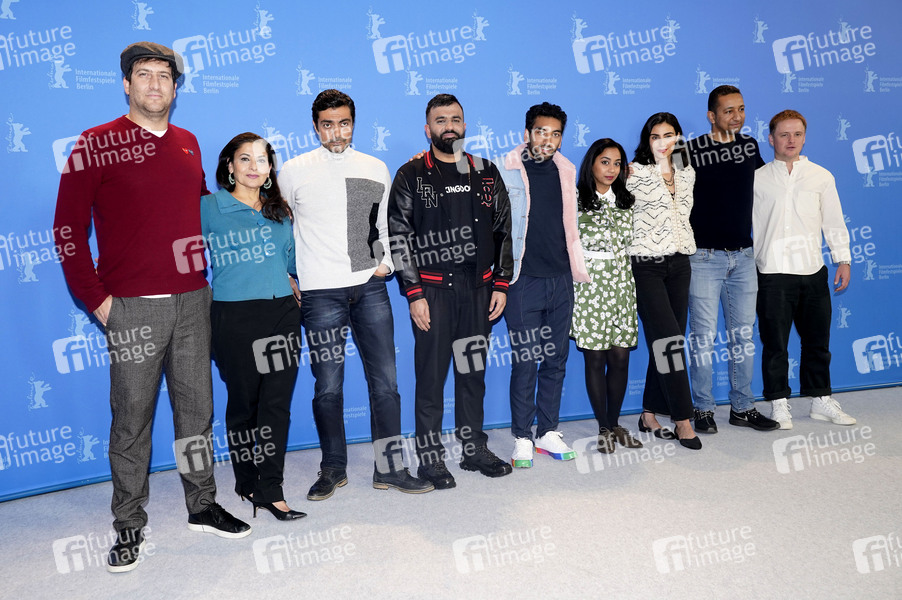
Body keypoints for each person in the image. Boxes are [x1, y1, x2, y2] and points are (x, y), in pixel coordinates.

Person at [53, 42, 250, 573]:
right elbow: (67, 229)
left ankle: (202, 504)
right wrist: (98, 301)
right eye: (144, 75)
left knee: (196, 414)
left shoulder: (187, 143)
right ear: (126, 83)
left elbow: (204, 212)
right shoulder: (95, 142)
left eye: (165, 76)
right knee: (132, 420)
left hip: (194, 300)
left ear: (176, 87)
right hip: (131, 308)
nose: (156, 85)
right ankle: (128, 523)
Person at [279, 89, 433, 500]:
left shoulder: (374, 167)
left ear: (353, 123)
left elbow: (387, 225)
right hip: (319, 293)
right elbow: (278, 226)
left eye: (344, 123)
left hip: (370, 287)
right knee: (328, 387)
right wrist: (287, 274)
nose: (337, 132)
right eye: (327, 125)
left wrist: (384, 265)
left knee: (386, 384)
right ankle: (333, 468)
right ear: (316, 127)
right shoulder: (293, 171)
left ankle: (391, 469)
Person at [387, 93, 514, 488]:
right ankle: (430, 459)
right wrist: (414, 293)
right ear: (428, 129)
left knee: (472, 374)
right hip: (433, 292)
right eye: (440, 120)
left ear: (465, 125)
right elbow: (399, 237)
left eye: (455, 119)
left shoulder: (486, 172)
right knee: (430, 379)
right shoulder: (411, 175)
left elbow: (503, 229)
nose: (449, 126)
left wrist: (501, 282)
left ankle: (474, 450)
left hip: (479, 289)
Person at [202, 132, 305, 520]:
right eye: (244, 158)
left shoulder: (280, 210)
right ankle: (246, 482)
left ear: (270, 168)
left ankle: (271, 489)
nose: (253, 167)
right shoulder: (208, 207)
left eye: (262, 160)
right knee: (244, 405)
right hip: (234, 317)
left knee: (276, 404)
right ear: (230, 165)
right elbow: (179, 254)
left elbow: (291, 261)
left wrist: (291, 277)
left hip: (282, 314)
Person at [498, 102, 590, 468]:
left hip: (561, 278)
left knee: (556, 359)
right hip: (523, 281)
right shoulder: (504, 169)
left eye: (555, 134)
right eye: (541, 132)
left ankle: (548, 430)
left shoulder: (566, 170)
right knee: (525, 361)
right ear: (527, 134)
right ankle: (522, 436)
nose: (547, 140)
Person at [753, 109, 855, 429]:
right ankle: (778, 403)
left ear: (805, 138)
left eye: (797, 134)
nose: (791, 140)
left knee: (817, 342)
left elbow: (833, 221)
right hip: (771, 272)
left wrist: (843, 259)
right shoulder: (757, 178)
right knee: (775, 345)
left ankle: (820, 400)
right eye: (784, 134)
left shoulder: (821, 176)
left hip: (812, 271)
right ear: (771, 139)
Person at [686, 85, 779, 433]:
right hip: (703, 257)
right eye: (728, 110)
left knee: (743, 337)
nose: (737, 116)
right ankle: (702, 409)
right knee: (703, 338)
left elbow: (769, 187)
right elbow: (665, 183)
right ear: (711, 116)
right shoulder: (689, 150)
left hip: (743, 257)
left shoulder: (750, 146)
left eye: (741, 109)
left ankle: (743, 407)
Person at [627, 112, 701, 450]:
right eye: (655, 136)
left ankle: (648, 413)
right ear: (647, 140)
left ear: (678, 138)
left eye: (668, 135)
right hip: (646, 265)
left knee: (667, 340)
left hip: (680, 263)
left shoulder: (687, 172)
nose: (662, 142)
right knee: (670, 341)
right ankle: (683, 419)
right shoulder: (634, 172)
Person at [571, 138, 643, 453]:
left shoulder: (628, 200)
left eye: (617, 163)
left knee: (620, 358)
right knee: (595, 358)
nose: (611, 169)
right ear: (591, 164)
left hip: (622, 286)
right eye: (604, 161)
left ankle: (615, 423)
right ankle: (603, 427)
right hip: (590, 288)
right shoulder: (575, 199)